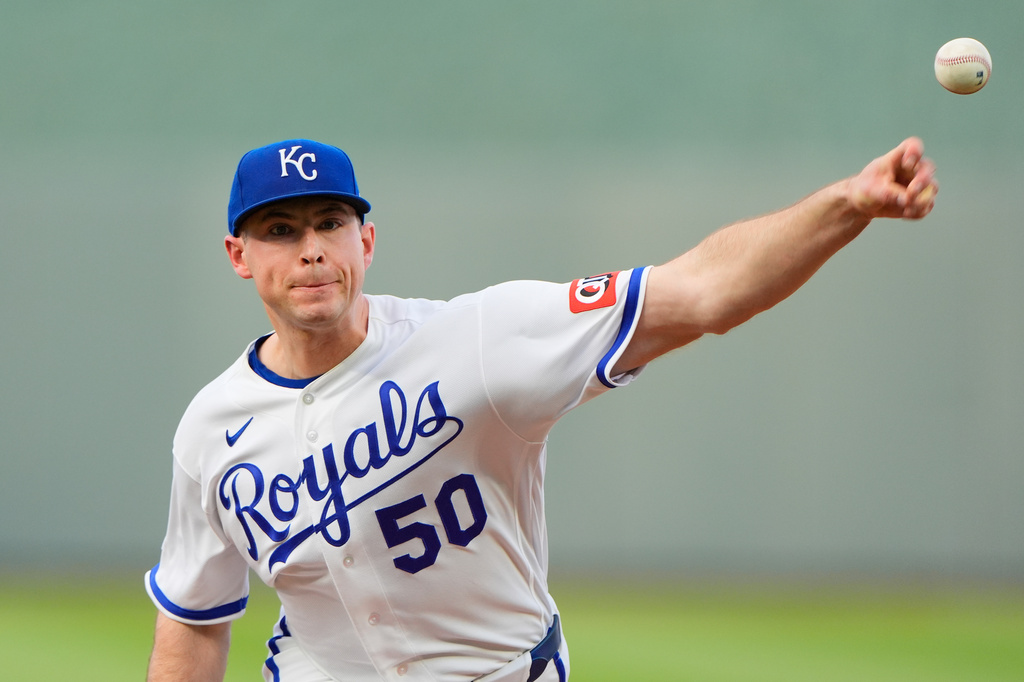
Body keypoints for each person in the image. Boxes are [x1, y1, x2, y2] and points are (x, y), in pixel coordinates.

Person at [145, 137, 937, 682]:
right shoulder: (212, 430)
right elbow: (194, 615)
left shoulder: (478, 338)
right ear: (238, 255)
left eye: (330, 223)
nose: (312, 248)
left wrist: (849, 203)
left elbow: (701, 293)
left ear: (368, 242)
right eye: (281, 230)